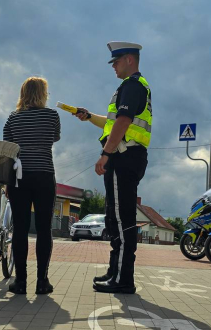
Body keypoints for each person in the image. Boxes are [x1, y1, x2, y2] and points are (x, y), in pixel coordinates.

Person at [74, 41, 152, 294]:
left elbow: (123, 122)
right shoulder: (132, 87)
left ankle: (122, 278)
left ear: (129, 59)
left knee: (122, 219)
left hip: (123, 157)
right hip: (128, 156)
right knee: (115, 217)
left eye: (116, 62)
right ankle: (115, 271)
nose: (113, 67)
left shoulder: (132, 86)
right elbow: (112, 123)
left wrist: (105, 154)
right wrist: (88, 117)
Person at [4, 77, 61, 295]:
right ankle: (42, 281)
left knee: (20, 228)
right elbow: (54, 138)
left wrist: (9, 181)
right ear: (43, 93)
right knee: (44, 228)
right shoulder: (52, 115)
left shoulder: (13, 118)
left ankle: (20, 282)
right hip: (45, 174)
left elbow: (9, 151)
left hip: (20, 177)